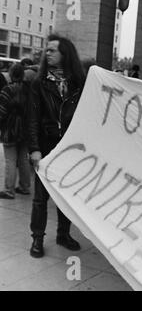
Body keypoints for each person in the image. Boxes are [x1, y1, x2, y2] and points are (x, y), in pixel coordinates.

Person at [28, 34, 86, 258]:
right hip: (46, 145)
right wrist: (34, 148)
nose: (47, 53)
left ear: (65, 54)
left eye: (52, 50)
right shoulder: (39, 83)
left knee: (66, 197)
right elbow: (32, 118)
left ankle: (63, 234)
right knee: (40, 198)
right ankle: (37, 239)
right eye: (47, 50)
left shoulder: (78, 84)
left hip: (70, 149)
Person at [0, 63, 31, 199]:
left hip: (10, 129)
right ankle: (24, 187)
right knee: (23, 159)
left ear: (11, 74)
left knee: (10, 160)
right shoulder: (29, 90)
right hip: (26, 129)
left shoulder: (7, 90)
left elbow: (1, 112)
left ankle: (9, 190)